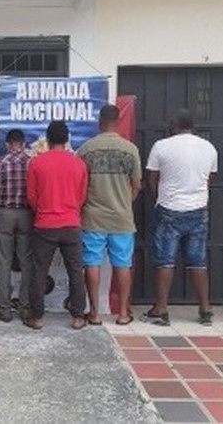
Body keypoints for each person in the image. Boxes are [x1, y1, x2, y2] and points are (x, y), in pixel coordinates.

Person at [145, 110, 218, 326]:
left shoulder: (161, 146)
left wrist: (159, 199)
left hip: (169, 208)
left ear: (174, 124)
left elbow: (152, 178)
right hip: (198, 210)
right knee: (198, 261)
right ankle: (205, 310)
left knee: (164, 261)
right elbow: (209, 178)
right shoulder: (209, 147)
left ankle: (161, 310)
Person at [77, 105, 142, 326]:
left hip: (93, 217)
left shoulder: (86, 149)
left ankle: (94, 312)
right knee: (122, 264)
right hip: (122, 218)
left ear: (100, 121)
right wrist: (124, 203)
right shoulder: (130, 149)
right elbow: (136, 186)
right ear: (118, 121)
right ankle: (123, 313)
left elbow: (80, 186)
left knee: (92, 263)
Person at [25, 121, 88, 330]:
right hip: (71, 223)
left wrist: (44, 210)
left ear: (48, 140)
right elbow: (81, 197)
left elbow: (31, 198)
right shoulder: (79, 164)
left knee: (39, 271)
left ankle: (37, 317)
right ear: (67, 140)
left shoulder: (36, 163)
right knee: (76, 272)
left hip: (45, 224)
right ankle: (78, 317)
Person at [0, 129, 34, 322]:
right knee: (26, 261)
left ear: (7, 144)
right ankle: (24, 306)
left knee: (4, 261)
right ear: (23, 144)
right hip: (26, 214)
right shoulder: (32, 163)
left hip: (4, 213)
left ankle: (4, 308)